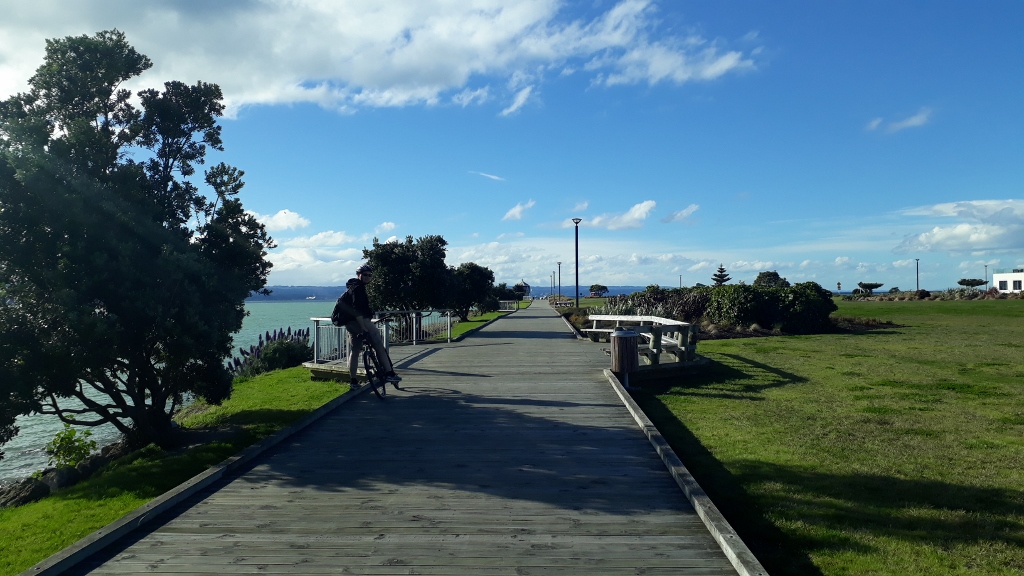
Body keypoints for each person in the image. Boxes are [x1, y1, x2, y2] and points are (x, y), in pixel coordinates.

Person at [337, 264, 401, 389]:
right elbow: (357, 310)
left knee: (355, 351)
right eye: (365, 274)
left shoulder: (351, 288)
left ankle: (353, 381)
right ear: (358, 275)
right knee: (379, 346)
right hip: (361, 322)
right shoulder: (359, 289)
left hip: (350, 324)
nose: (368, 277)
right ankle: (390, 373)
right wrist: (363, 327)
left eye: (370, 275)